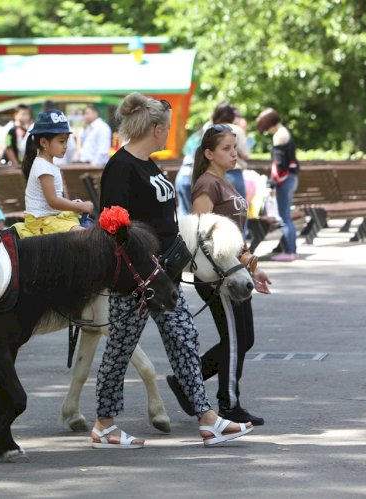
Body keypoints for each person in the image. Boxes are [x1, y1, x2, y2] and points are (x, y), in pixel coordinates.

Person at [92, 93, 254, 449]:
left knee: (184, 338)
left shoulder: (148, 164)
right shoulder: (122, 167)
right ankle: (104, 423)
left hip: (161, 274)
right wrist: (142, 270)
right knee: (120, 348)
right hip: (137, 278)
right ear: (155, 128)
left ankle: (207, 418)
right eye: (167, 129)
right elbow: (115, 224)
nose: (170, 134)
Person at [190, 124, 273, 426]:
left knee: (244, 338)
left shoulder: (225, 182)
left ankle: (187, 381)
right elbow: (203, 235)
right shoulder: (206, 185)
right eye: (226, 148)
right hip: (218, 277)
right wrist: (228, 271)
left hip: (236, 273)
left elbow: (236, 240)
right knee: (235, 340)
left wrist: (254, 269)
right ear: (209, 153)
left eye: (234, 147)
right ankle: (229, 405)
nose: (233, 152)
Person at [16, 109, 94, 237]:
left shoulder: (46, 164)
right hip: (41, 221)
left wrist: (76, 204)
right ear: (44, 142)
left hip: (49, 217)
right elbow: (53, 201)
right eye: (61, 141)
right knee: (85, 236)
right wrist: (81, 207)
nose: (65, 146)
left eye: (66, 141)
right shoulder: (43, 167)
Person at [256, 107, 300, 262]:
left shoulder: (278, 137)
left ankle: (289, 252)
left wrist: (272, 184)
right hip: (292, 179)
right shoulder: (285, 132)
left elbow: (279, 165)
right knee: (287, 215)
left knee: (284, 217)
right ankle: (291, 250)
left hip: (285, 181)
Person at [211, 102, 251, 200]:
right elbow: (246, 154)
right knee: (238, 211)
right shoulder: (237, 130)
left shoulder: (210, 130)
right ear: (231, 115)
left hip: (214, 174)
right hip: (234, 174)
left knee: (218, 213)